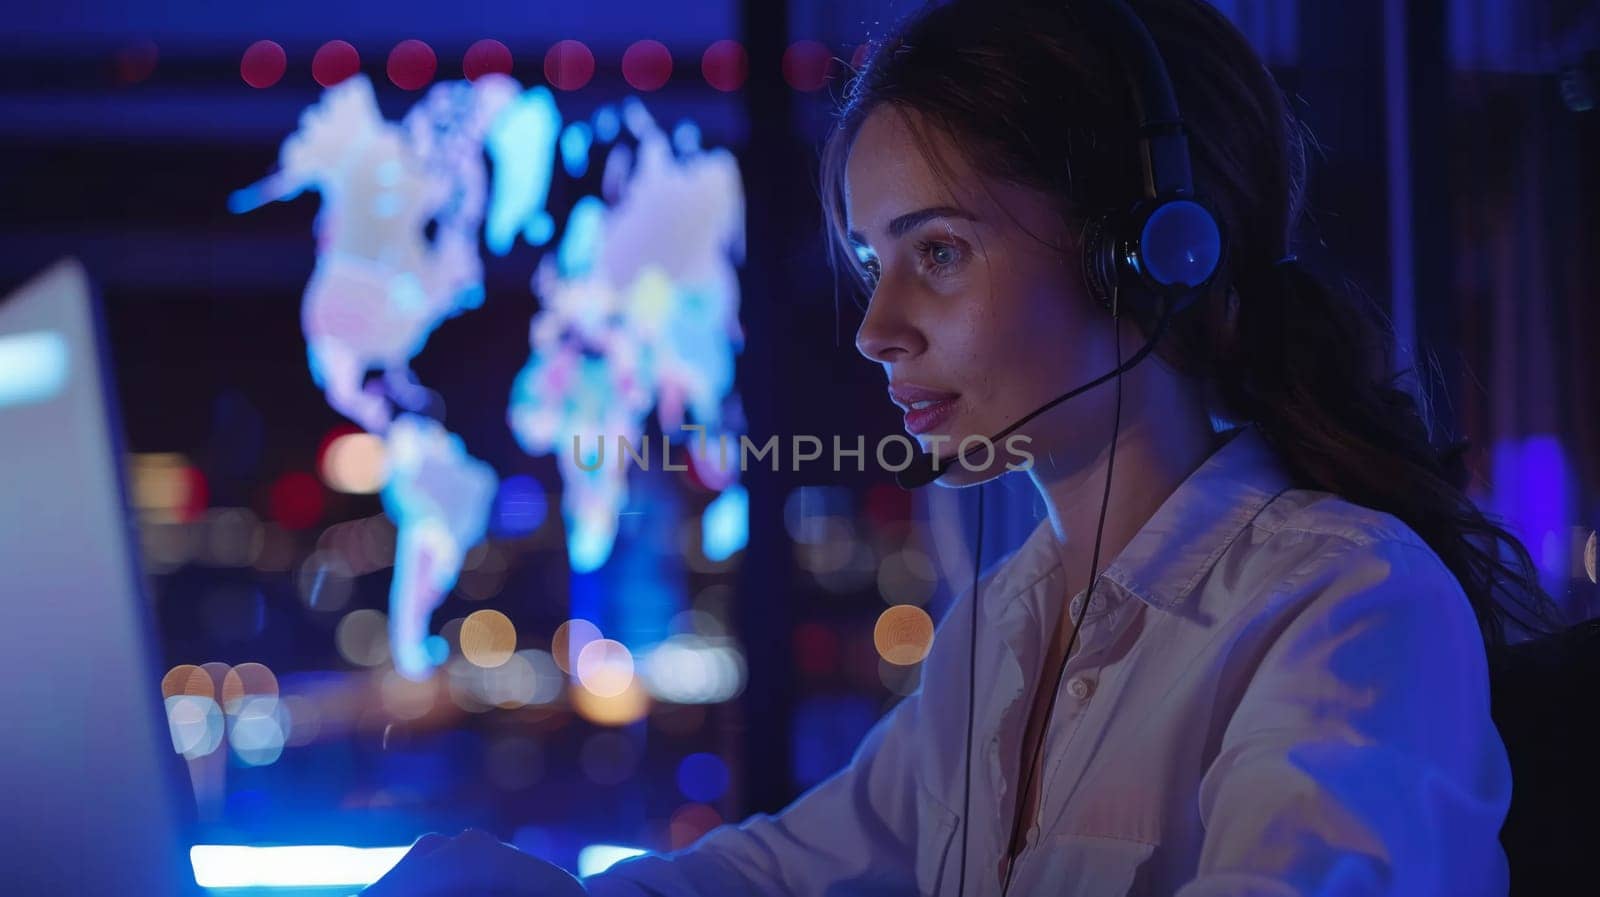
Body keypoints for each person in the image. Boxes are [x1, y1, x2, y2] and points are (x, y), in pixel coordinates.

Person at [361, 1, 1562, 894]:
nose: (879, 332)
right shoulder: (1005, 629)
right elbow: (784, 875)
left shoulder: (1343, 605)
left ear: (1146, 250)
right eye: (876, 265)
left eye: (937, 252)